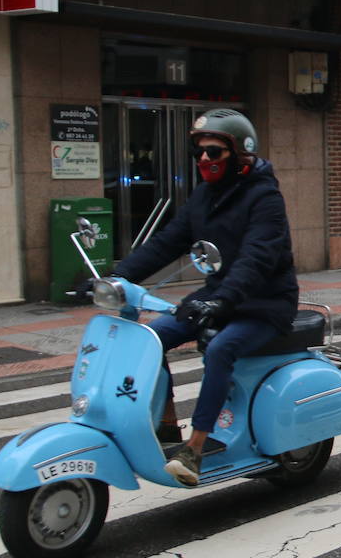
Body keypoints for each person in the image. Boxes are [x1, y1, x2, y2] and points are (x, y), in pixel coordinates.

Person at [109, 109, 298, 486]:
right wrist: (117, 276)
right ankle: (165, 426)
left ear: (239, 154)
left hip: (264, 303)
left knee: (220, 349)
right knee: (150, 338)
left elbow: (256, 257)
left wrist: (224, 299)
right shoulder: (203, 197)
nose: (204, 161)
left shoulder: (265, 198)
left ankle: (194, 448)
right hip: (218, 297)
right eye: (199, 154)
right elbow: (167, 242)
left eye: (214, 152)